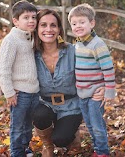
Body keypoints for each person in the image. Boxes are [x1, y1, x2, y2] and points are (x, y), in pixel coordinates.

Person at [32, 9, 104, 156]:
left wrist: (102, 86)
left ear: (59, 29)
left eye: (53, 25)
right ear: (37, 29)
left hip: (71, 106)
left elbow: (98, 65)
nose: (48, 29)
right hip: (45, 103)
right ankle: (47, 146)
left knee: (61, 139)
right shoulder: (31, 55)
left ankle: (69, 134)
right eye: (43, 25)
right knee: (38, 115)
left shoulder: (74, 51)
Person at [68, 3, 116, 157]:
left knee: (96, 124)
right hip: (82, 93)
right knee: (89, 124)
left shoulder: (98, 44)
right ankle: (97, 148)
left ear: (92, 23)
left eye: (82, 22)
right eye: (74, 23)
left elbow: (108, 69)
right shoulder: (77, 44)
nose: (78, 26)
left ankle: (103, 152)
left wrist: (109, 92)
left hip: (96, 94)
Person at [0, 0, 40, 157]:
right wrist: (9, 92)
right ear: (15, 21)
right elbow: (3, 69)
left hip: (34, 91)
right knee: (18, 126)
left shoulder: (33, 37)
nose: (31, 21)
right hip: (19, 94)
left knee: (28, 125)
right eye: (26, 17)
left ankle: (25, 147)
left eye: (34, 17)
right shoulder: (11, 40)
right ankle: (16, 152)